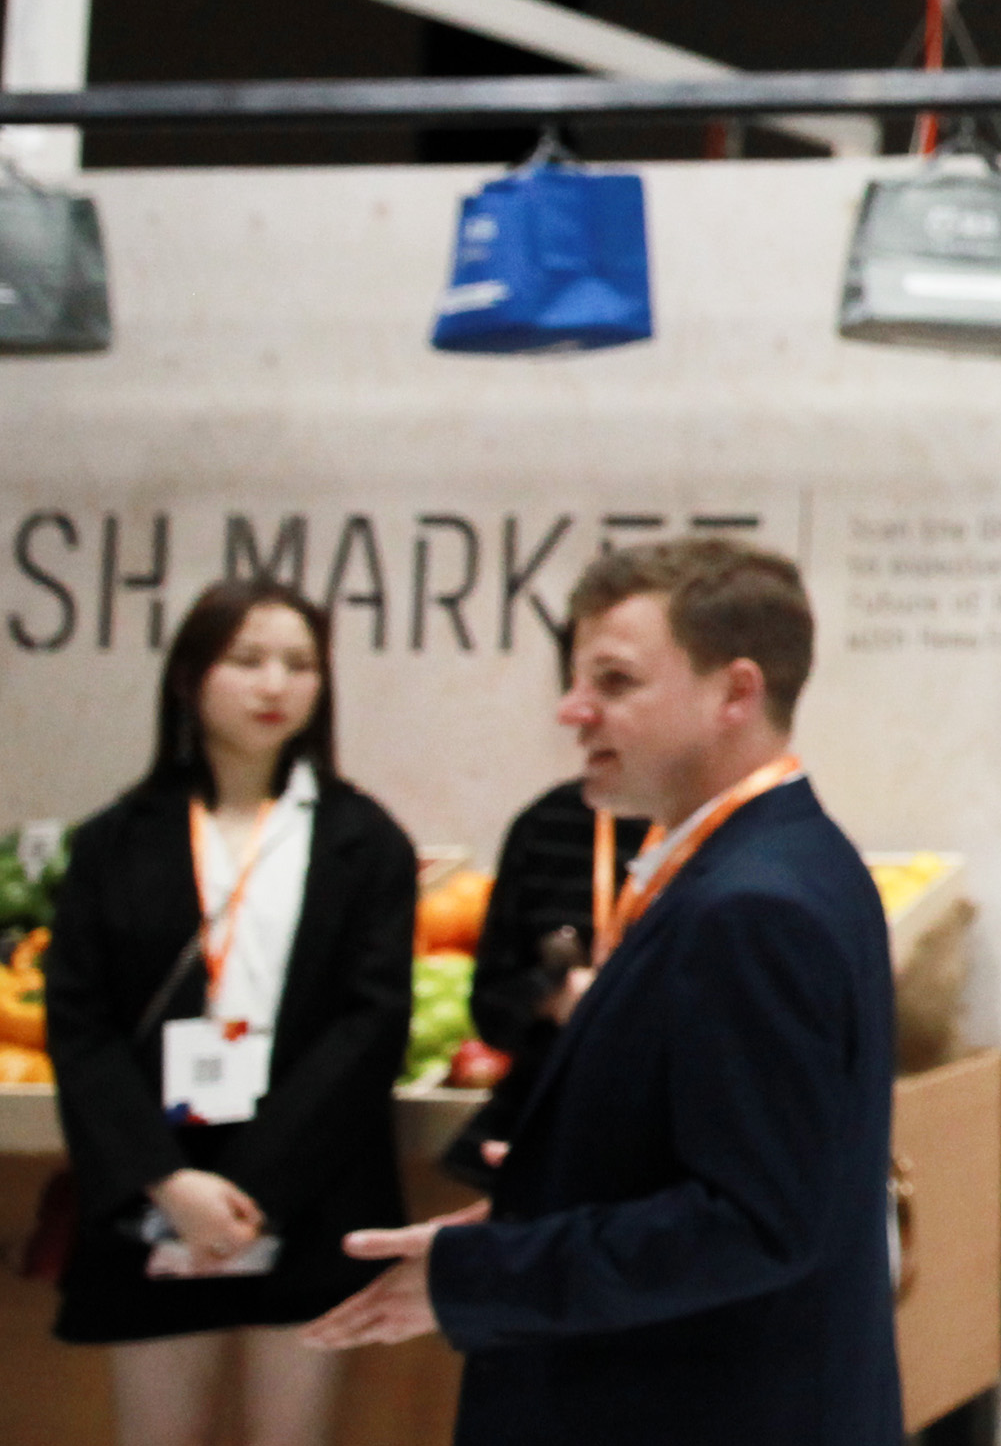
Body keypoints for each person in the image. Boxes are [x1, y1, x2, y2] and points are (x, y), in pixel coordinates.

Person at [300, 536, 901, 1443]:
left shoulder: (754, 902)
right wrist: (538, 1205)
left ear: (735, 692)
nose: (572, 710)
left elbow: (752, 1222)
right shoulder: (770, 860)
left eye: (614, 682)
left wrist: (484, 1274)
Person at [40, 579, 418, 1446]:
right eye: (246, 659)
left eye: (300, 663)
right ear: (189, 676)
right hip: (159, 1185)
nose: (274, 684)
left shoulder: (366, 839)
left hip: (309, 1186)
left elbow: (371, 1024)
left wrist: (254, 1188)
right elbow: (81, 1024)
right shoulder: (114, 840)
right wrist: (171, 1183)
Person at [439, 757, 641, 1190]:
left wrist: (622, 1000)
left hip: (677, 1136)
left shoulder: (751, 825)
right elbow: (491, 1006)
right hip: (552, 1125)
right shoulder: (552, 821)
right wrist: (552, 994)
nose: (577, 721)